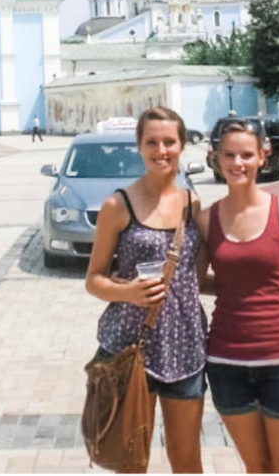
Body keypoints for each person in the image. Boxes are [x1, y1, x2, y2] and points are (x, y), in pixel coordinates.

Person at [197, 120, 279, 473]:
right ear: (216, 158)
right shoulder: (206, 219)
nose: (237, 162)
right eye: (229, 154)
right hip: (226, 363)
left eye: (246, 154)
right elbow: (195, 281)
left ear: (262, 156)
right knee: (256, 467)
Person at [85, 107, 206, 473]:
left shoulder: (193, 204)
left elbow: (195, 276)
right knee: (128, 457)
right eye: (151, 142)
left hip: (184, 347)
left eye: (169, 141)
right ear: (138, 147)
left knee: (186, 459)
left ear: (182, 146)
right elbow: (94, 279)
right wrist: (128, 293)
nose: (161, 150)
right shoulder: (117, 205)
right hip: (126, 348)